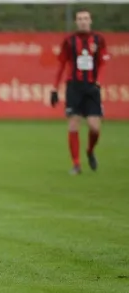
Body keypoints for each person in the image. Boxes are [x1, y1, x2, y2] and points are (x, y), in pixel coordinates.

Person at [50, 9, 108, 175]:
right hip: (74, 87)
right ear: (76, 22)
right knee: (74, 123)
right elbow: (61, 64)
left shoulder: (98, 40)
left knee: (94, 127)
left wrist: (98, 82)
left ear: (90, 21)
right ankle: (76, 164)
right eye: (80, 19)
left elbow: (103, 62)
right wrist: (55, 87)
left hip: (92, 88)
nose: (83, 21)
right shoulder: (69, 41)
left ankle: (90, 151)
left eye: (86, 18)